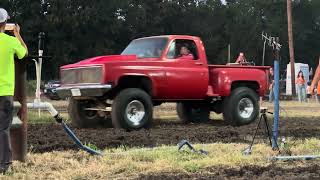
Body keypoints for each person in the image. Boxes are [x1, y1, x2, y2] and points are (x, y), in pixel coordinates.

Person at [0, 8, 28, 174]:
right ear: (5, 23)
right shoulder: (11, 41)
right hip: (5, 93)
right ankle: (4, 166)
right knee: (2, 129)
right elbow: (24, 54)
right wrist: (17, 34)